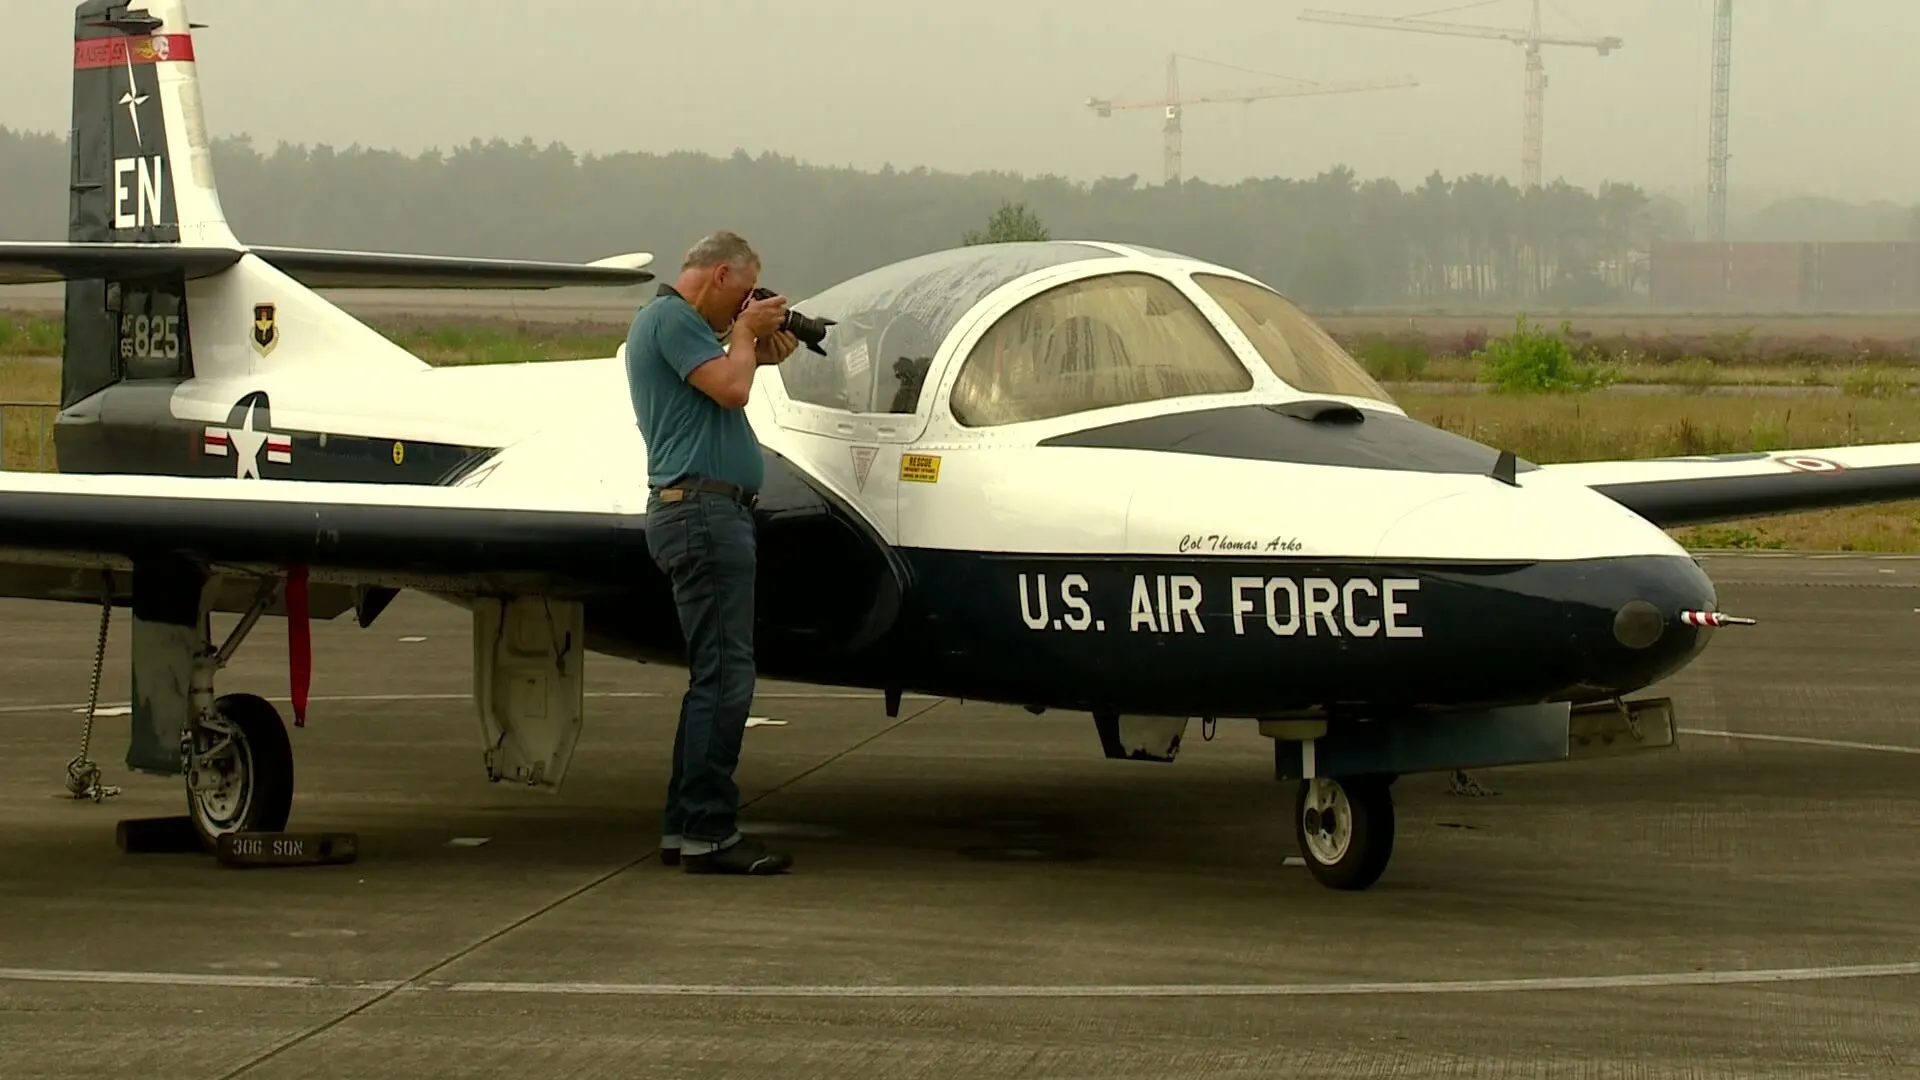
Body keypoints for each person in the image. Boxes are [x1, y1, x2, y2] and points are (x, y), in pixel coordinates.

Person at [625, 230, 799, 875]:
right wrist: (747, 338)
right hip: (702, 512)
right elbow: (732, 389)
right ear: (722, 274)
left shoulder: (677, 326)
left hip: (701, 512)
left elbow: (726, 376)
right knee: (726, 678)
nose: (743, 306)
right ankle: (709, 832)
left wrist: (759, 344)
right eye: (744, 292)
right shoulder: (669, 317)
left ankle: (686, 828)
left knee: (712, 676)